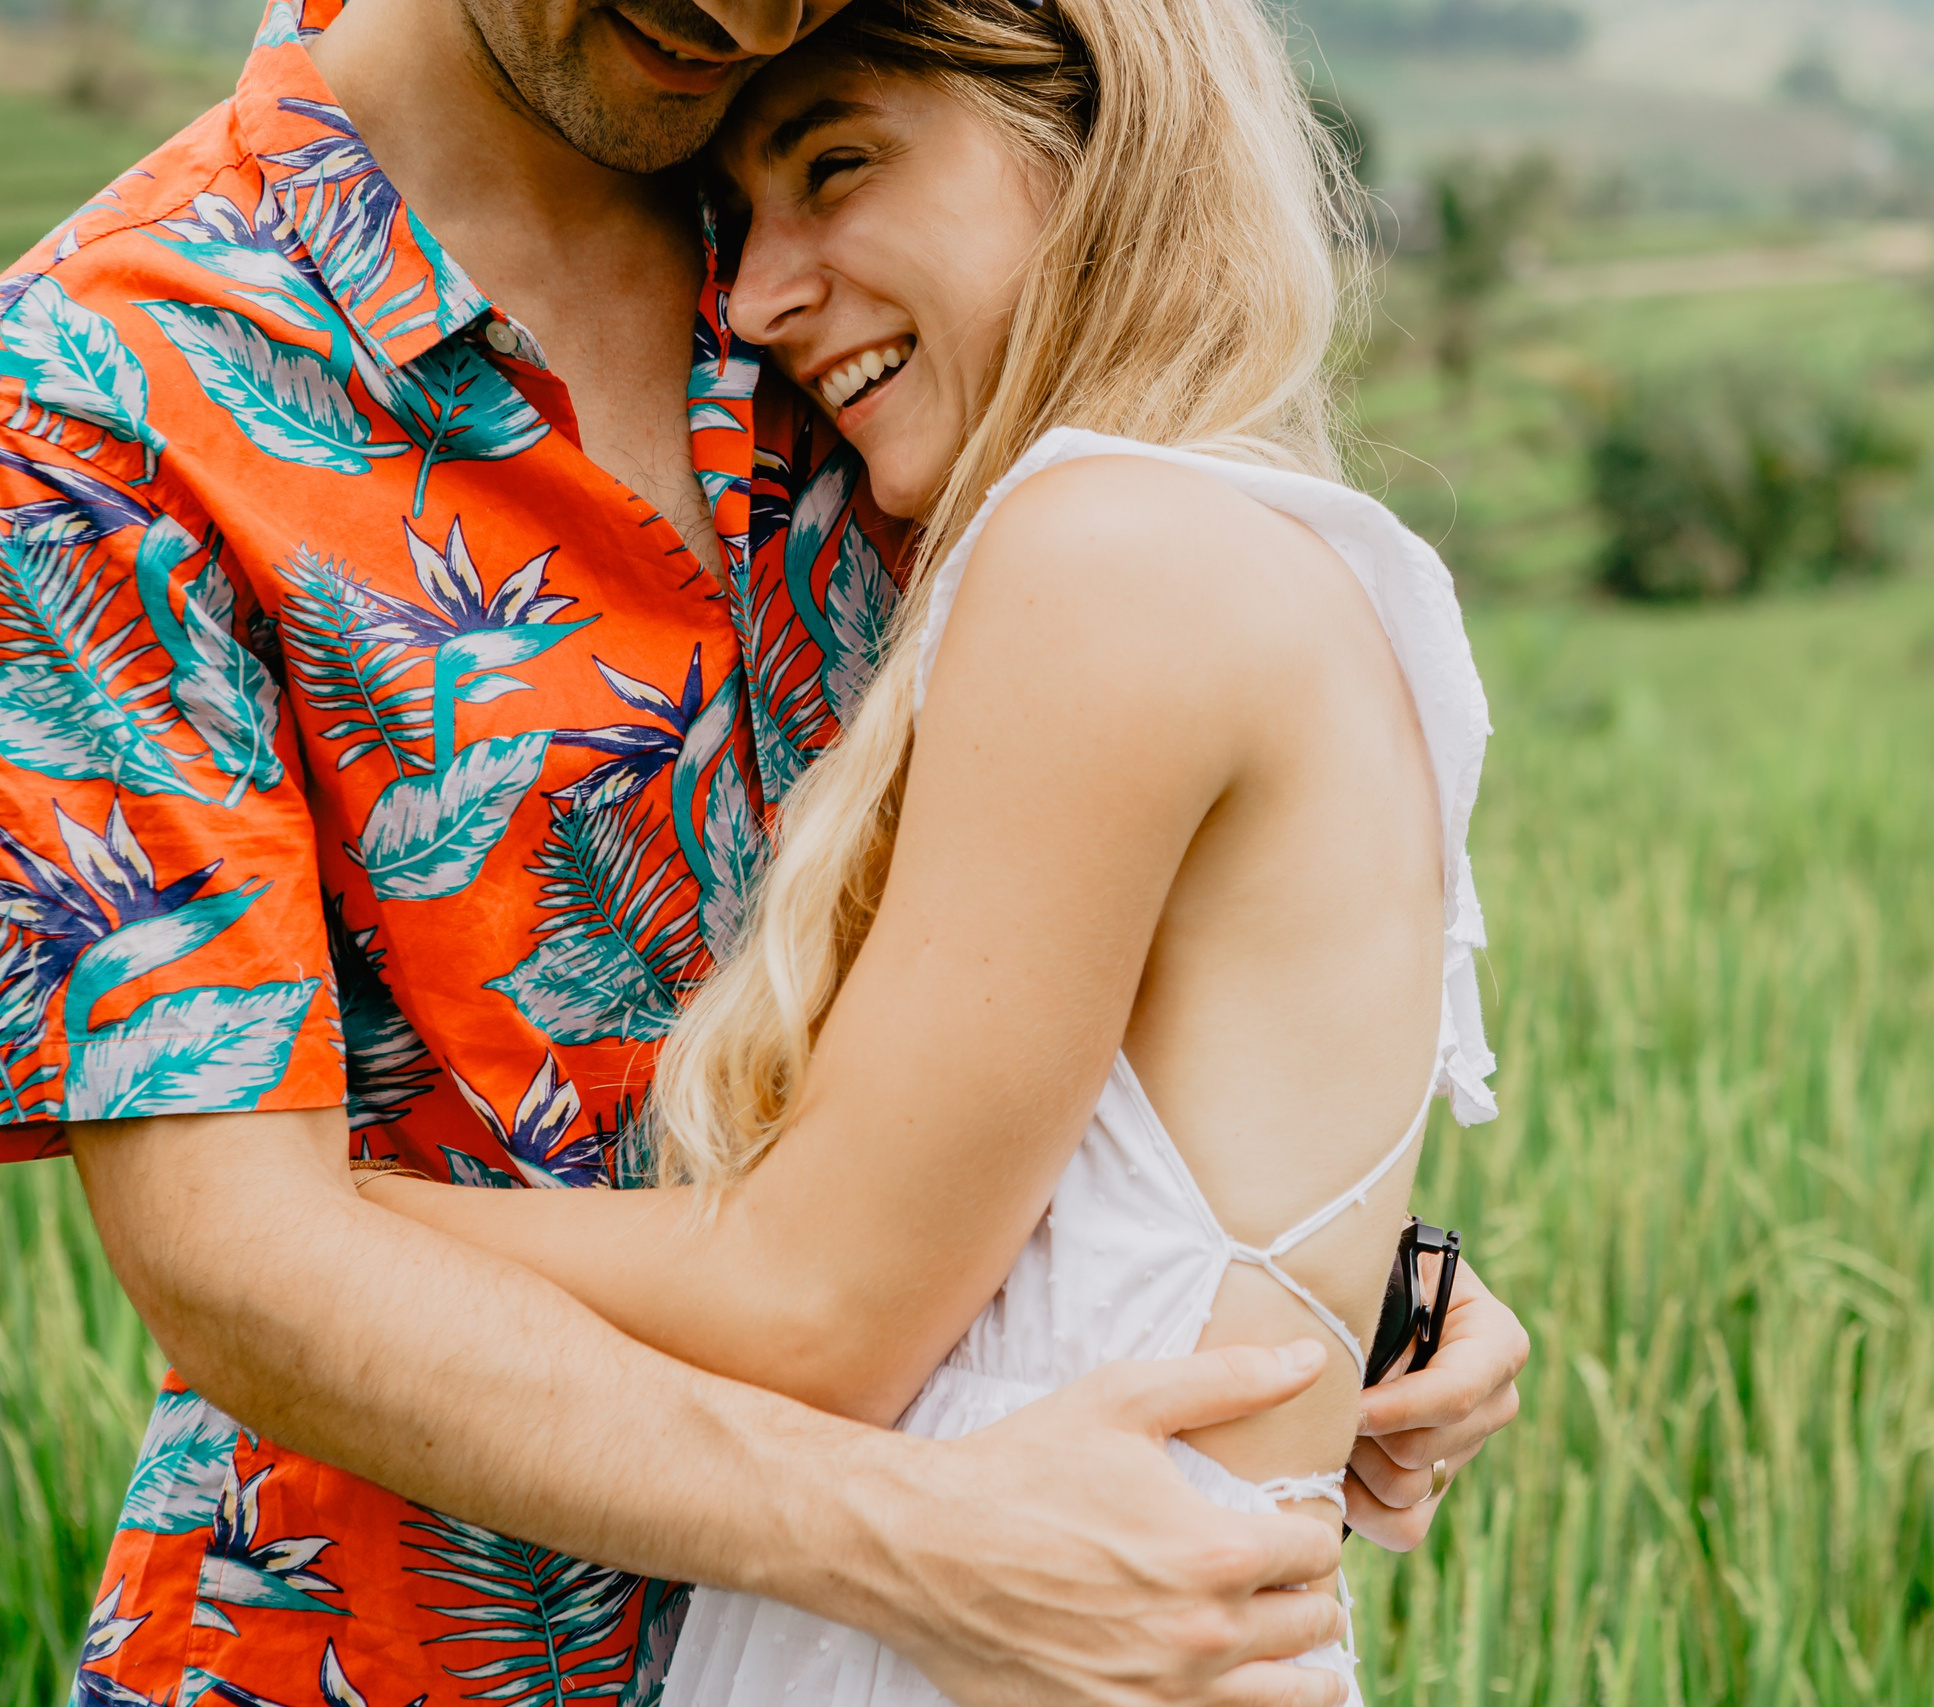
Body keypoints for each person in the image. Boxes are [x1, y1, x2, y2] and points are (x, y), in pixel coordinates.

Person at [0, 0, 1528, 1704]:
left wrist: (1309, 1290)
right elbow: (229, 1267)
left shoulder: (833, 232)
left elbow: (1067, 935)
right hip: (384, 1648)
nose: (740, 13)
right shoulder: (101, 382)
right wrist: (919, 1539)